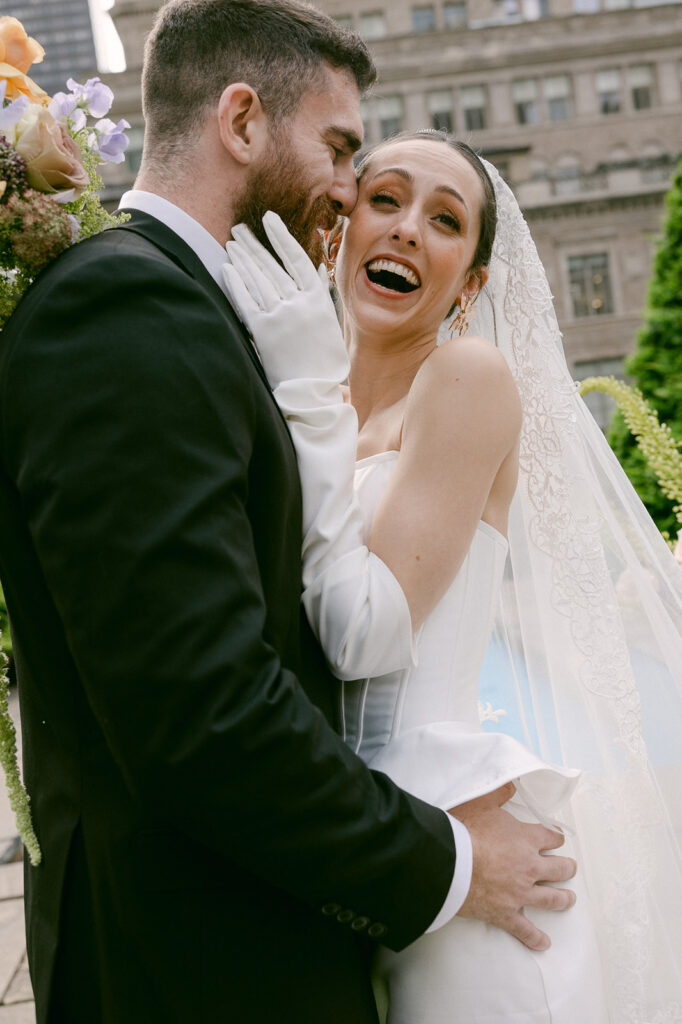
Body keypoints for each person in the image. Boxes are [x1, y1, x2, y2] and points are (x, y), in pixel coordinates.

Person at [0, 4, 579, 1022]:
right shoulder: (132, 309)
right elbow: (201, 712)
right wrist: (442, 864)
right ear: (240, 121)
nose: (355, 195)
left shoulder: (221, 321)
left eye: (440, 216)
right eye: (346, 152)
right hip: (194, 959)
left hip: (303, 904)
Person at [224, 130, 682, 1021]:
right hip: (342, 847)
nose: (404, 230)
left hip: (454, 838)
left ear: (469, 284)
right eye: (384, 200)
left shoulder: (465, 377)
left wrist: (306, 390)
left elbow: (361, 638)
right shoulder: (293, 399)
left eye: (444, 220)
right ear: (340, 232)